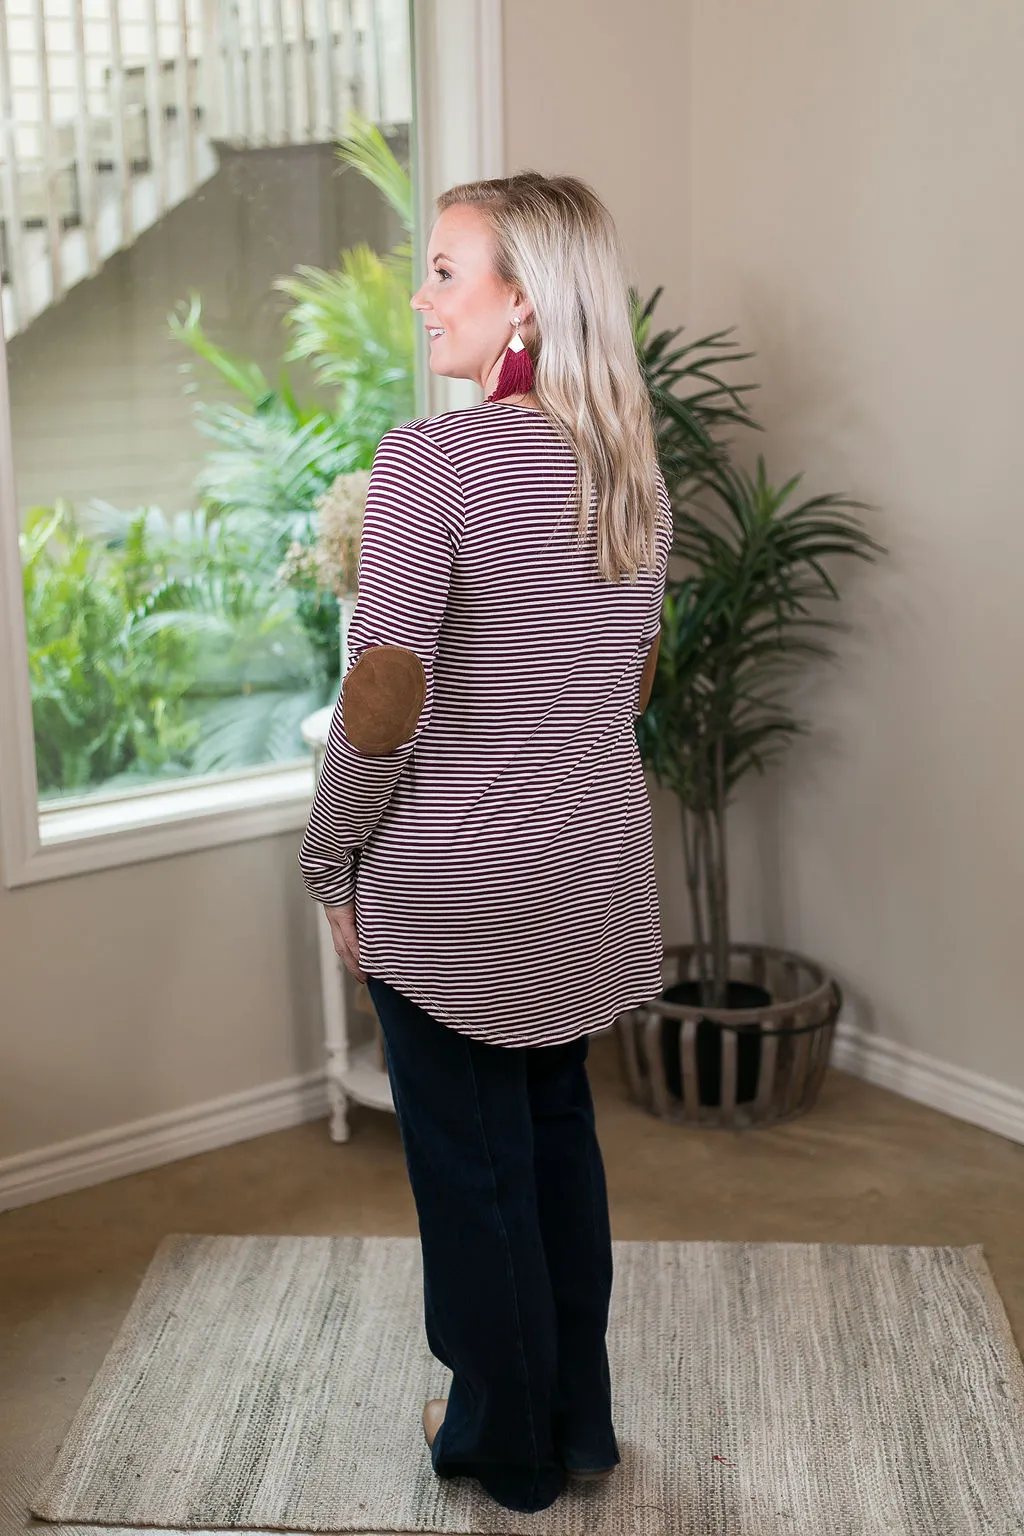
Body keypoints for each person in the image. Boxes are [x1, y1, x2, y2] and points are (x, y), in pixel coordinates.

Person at [298, 171, 671, 1515]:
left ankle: (498, 1447)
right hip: (584, 868)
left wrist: (330, 859)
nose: (421, 296)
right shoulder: (631, 469)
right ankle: (578, 1423)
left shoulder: (428, 462)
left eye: (446, 270)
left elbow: (383, 696)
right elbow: (626, 688)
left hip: (450, 882)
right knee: (555, 1140)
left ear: (525, 301)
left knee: (471, 1172)